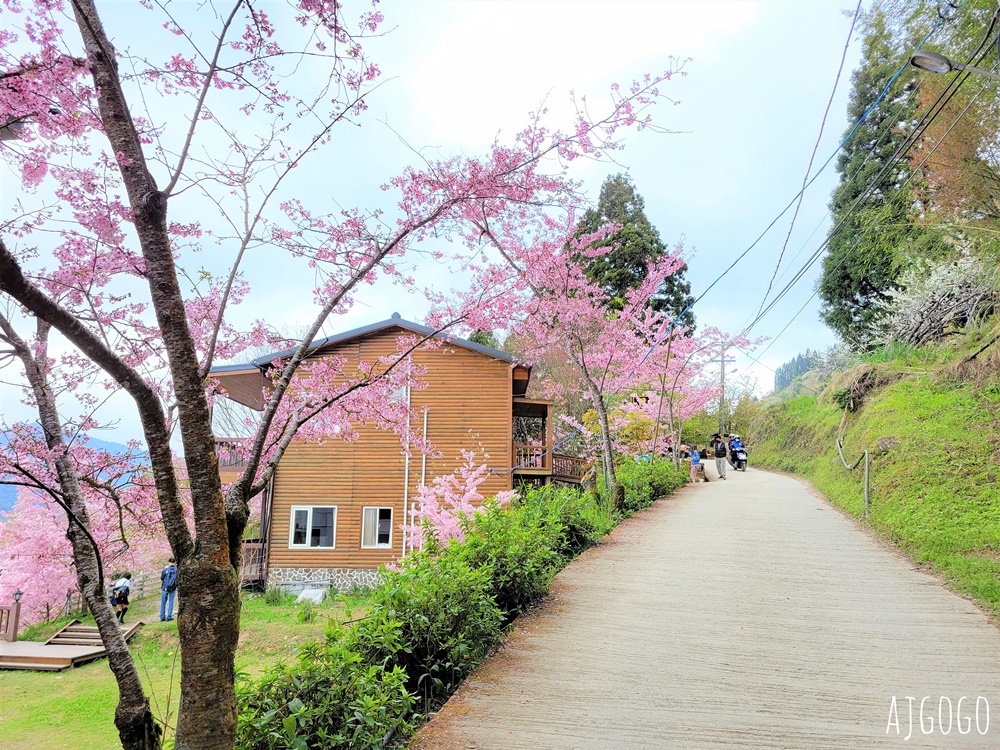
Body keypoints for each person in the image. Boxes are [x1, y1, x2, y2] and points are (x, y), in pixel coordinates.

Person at [160, 557, 178, 622]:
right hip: (173, 588)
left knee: (163, 603)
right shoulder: (177, 570)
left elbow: (162, 578)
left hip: (164, 588)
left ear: (169, 562)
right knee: (171, 602)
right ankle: (169, 616)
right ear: (175, 562)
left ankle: (162, 617)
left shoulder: (165, 569)